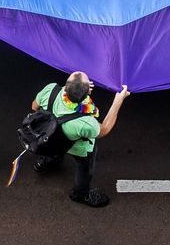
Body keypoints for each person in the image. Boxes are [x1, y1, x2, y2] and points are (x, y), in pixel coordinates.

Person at [31, 72, 131, 208]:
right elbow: (105, 129)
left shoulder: (51, 89)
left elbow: (34, 107)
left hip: (48, 138)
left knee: (52, 147)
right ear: (87, 95)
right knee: (84, 167)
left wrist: (76, 87)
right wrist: (117, 102)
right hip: (77, 148)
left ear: (66, 86)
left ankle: (46, 160)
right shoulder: (85, 122)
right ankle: (80, 194)